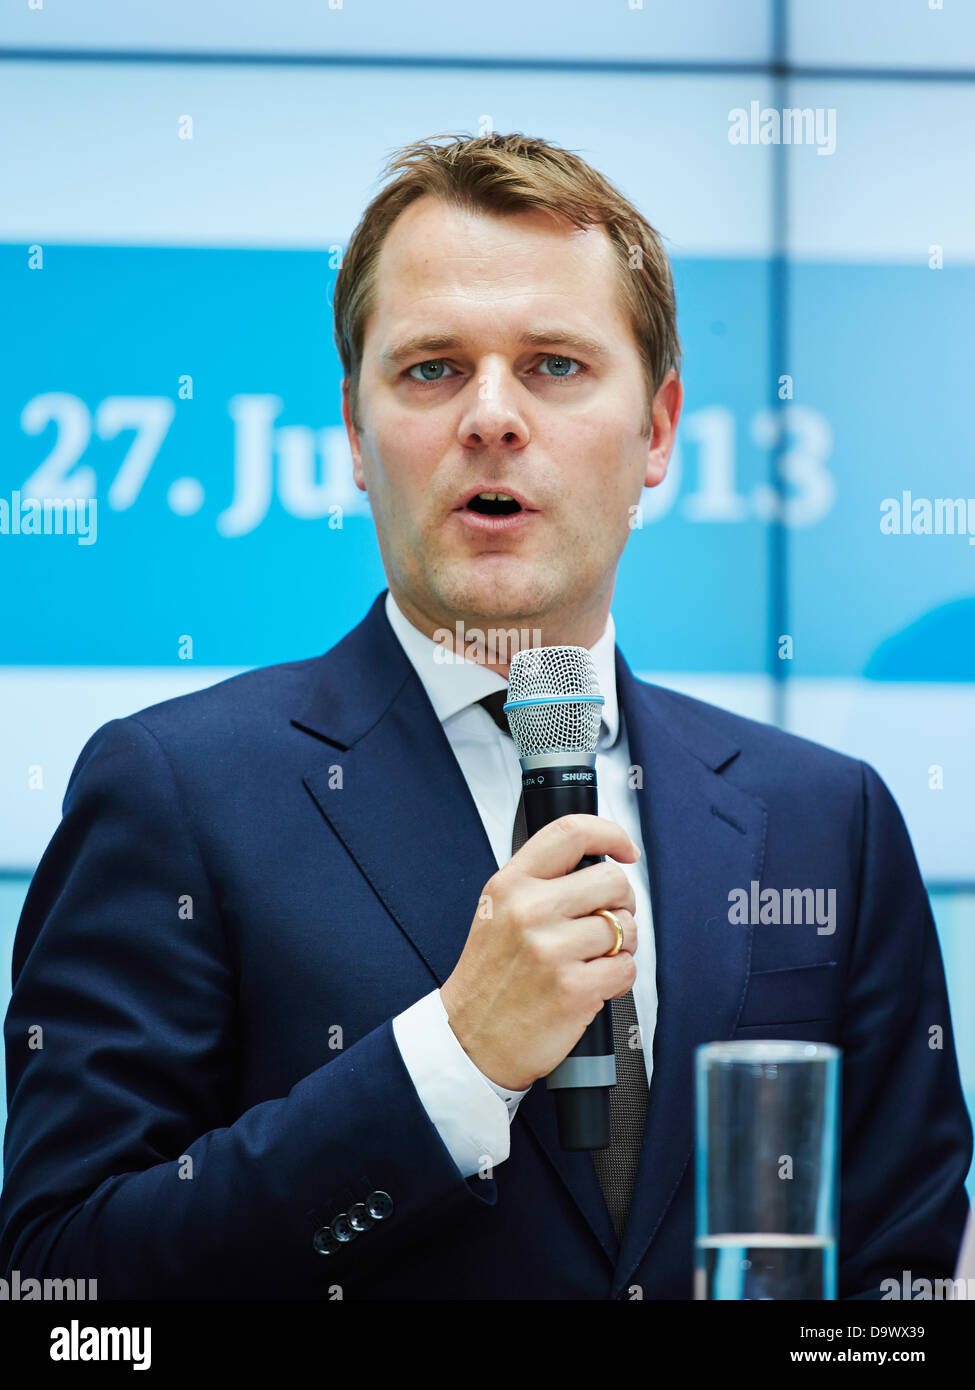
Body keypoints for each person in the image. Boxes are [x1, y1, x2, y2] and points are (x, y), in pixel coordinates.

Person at [0, 132, 970, 1301]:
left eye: (556, 365)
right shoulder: (175, 789)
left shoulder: (829, 818)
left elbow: (900, 1281)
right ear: (355, 439)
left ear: (659, 430)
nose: (493, 417)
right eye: (431, 369)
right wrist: (450, 1062)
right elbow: (63, 1294)